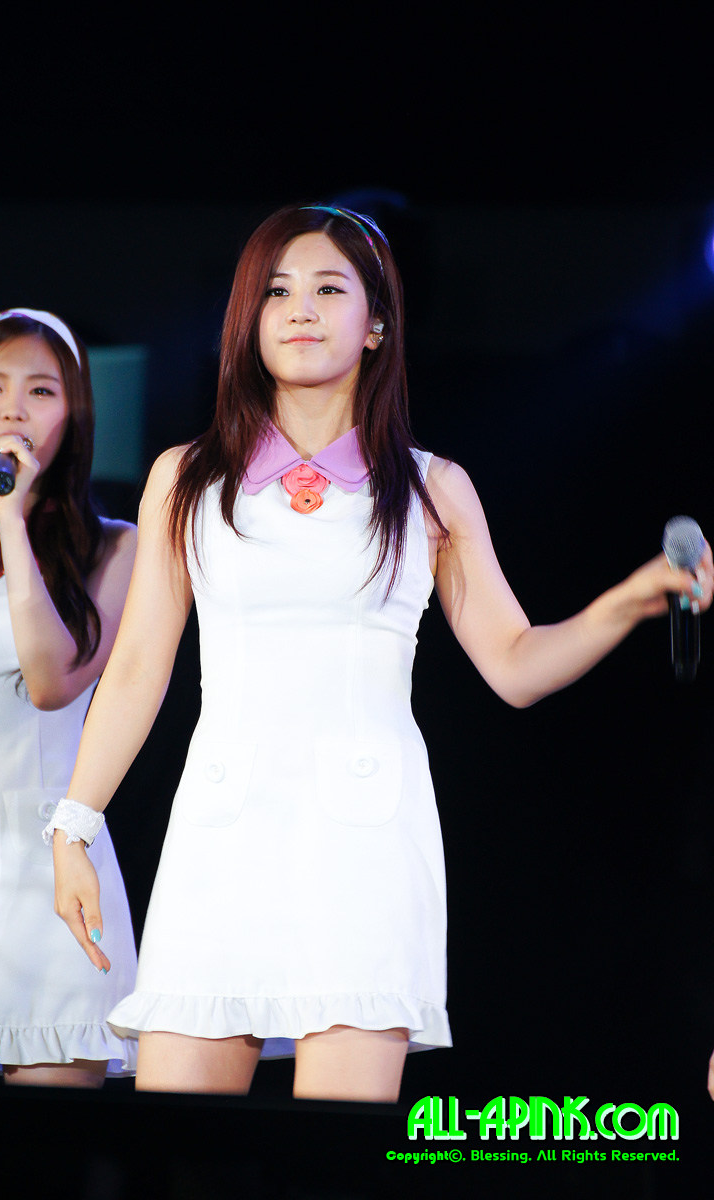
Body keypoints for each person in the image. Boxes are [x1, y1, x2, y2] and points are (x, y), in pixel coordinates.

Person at [51, 206, 713, 1102]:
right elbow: (137, 668)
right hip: (222, 831)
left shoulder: (431, 488)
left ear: (377, 324)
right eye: (277, 291)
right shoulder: (189, 477)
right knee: (176, 1138)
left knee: (335, 1156)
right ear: (249, 319)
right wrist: (75, 825)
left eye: (330, 289)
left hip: (362, 841)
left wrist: (627, 601)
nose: (300, 309)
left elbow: (515, 663)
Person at [0, 308, 138, 1086]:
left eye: (40, 390)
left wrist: (11, 524)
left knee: (44, 1142)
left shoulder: (115, 547)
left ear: (74, 413)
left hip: (47, 859)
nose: (12, 409)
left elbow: (50, 683)